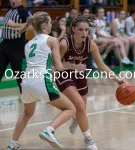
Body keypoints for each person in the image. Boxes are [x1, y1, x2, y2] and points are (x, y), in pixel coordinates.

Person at [6, 12, 76, 150]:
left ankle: (12, 144)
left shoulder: (28, 44)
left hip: (26, 82)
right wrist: (72, 66)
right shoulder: (52, 40)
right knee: (70, 108)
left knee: (27, 113)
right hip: (41, 80)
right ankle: (49, 130)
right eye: (50, 22)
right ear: (44, 25)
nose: (51, 24)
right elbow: (59, 66)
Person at [56, 15, 125, 150]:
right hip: (63, 75)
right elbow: (55, 65)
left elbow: (101, 65)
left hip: (80, 75)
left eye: (86, 30)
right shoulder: (64, 43)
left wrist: (116, 79)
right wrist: (72, 66)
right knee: (80, 105)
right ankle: (88, 139)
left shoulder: (90, 43)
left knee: (82, 110)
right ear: (73, 29)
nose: (84, 33)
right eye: (80, 29)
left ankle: (76, 119)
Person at [0, 0, 32, 92]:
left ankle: (26, 92)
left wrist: (14, 25)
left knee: (17, 71)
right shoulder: (9, 10)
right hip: (4, 43)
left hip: (16, 44)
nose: (12, 1)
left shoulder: (24, 11)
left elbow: (31, 26)